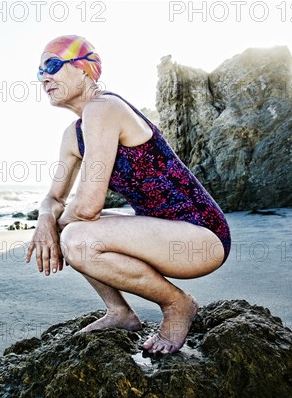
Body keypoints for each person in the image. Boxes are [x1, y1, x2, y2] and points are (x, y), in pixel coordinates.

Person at [26, 35, 231, 354]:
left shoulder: (104, 107)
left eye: (52, 65)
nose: (44, 78)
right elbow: (54, 198)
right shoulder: (73, 134)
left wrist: (56, 225)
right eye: (39, 72)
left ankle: (178, 305)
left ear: (84, 69)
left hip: (202, 238)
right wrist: (44, 220)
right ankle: (120, 312)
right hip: (159, 235)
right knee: (68, 229)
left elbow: (90, 205)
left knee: (75, 236)